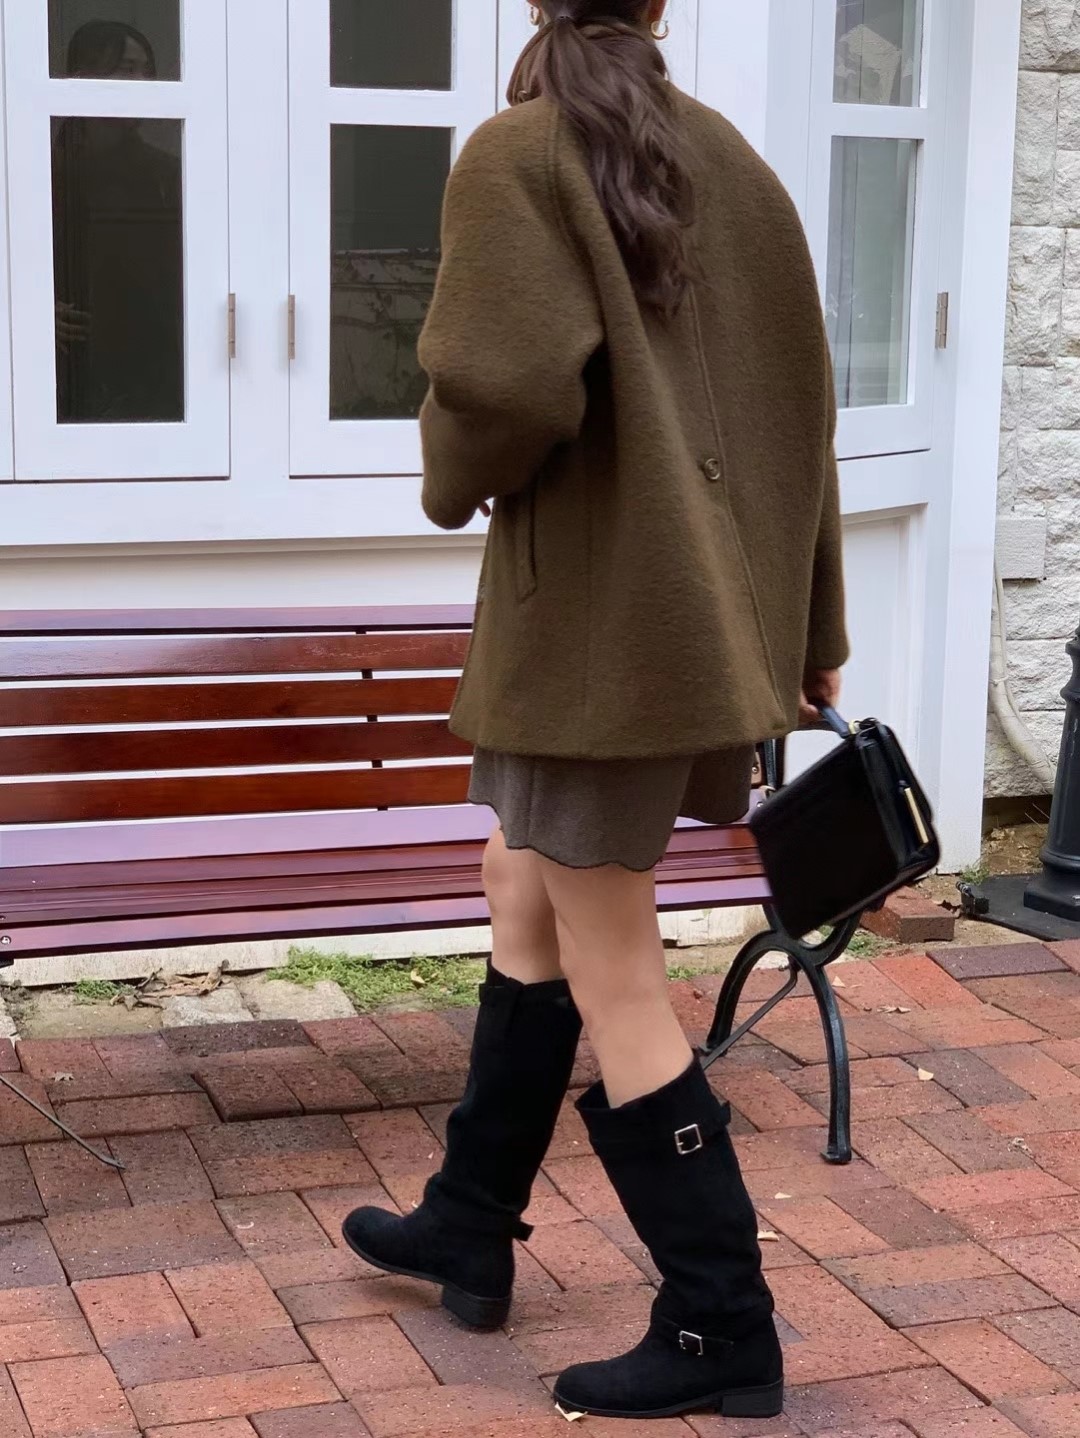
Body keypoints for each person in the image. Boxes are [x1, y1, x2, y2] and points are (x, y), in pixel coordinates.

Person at [344, 0, 847, 1421]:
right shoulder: (737, 162)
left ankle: (720, 1322)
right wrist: (813, 630)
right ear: (663, 2)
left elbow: (499, 386)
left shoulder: (521, 151)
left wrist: (449, 474)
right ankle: (468, 1220)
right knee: (520, 882)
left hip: (594, 643)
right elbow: (803, 416)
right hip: (693, 630)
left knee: (615, 961)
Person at [52, 22, 184, 424]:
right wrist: (28, 311)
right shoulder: (41, 168)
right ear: (84, 77)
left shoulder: (165, 173)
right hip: (65, 368)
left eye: (147, 72)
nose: (141, 84)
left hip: (151, 364)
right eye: (126, 70)